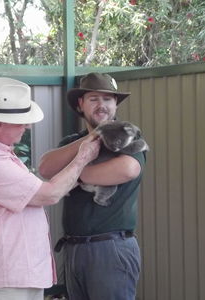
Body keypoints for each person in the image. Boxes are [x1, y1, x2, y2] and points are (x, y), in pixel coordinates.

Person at [0, 77, 100, 300]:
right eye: (20, 121)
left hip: (14, 274)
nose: (27, 126)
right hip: (5, 277)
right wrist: (82, 158)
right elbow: (49, 194)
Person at [39, 72, 147, 300]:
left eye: (108, 99)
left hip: (110, 248)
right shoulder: (71, 143)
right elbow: (46, 168)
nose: (102, 105)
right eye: (94, 99)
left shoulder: (127, 137)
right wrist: (92, 137)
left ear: (115, 104)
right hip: (73, 248)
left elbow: (128, 169)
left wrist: (72, 175)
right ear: (81, 104)